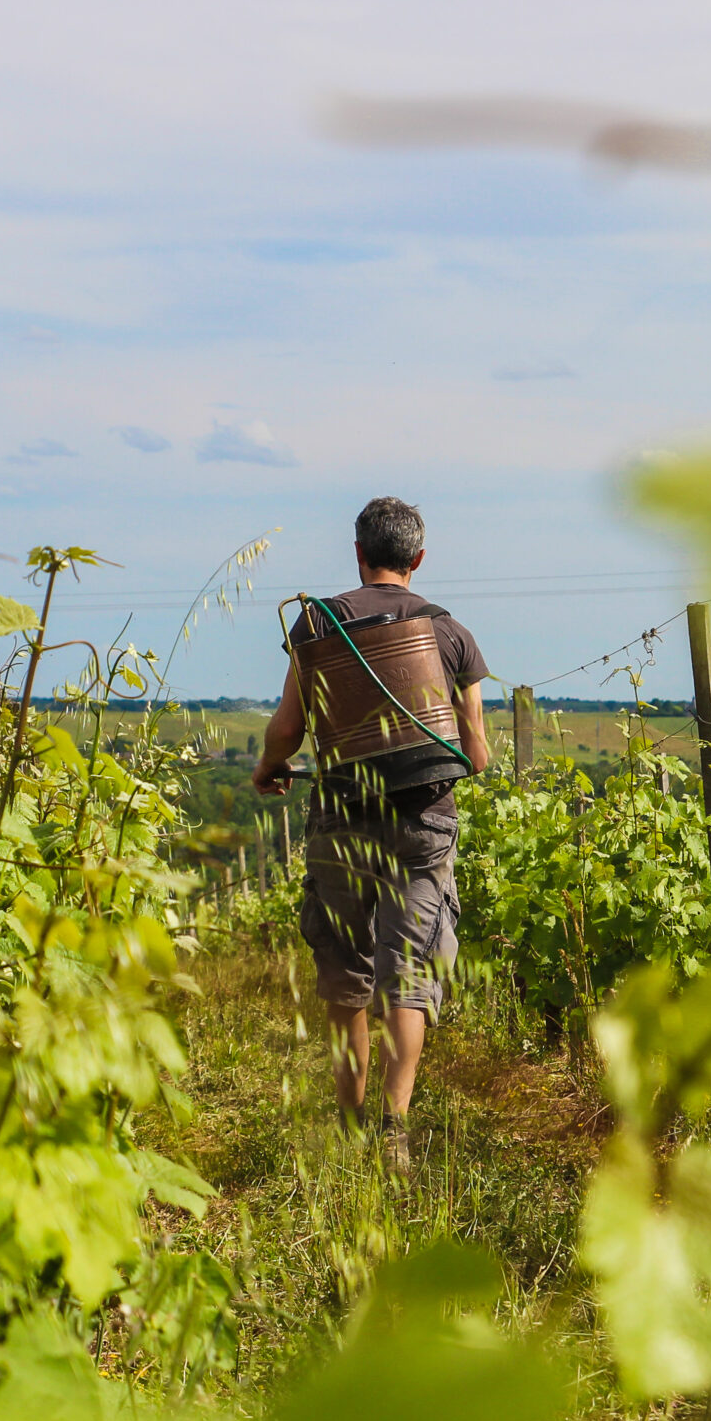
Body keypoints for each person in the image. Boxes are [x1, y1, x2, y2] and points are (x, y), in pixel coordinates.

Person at [253, 497, 491, 1164]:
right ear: (418, 559)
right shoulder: (451, 634)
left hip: (342, 819)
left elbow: (289, 726)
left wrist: (270, 766)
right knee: (409, 975)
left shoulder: (317, 623)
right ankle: (395, 1128)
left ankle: (350, 1116)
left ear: (357, 553)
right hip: (423, 823)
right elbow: (476, 750)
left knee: (345, 973)